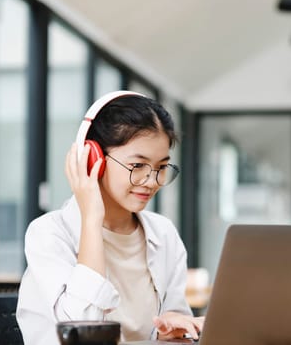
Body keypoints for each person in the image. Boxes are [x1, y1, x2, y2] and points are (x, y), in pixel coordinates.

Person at [17, 91, 203, 344]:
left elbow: (176, 324)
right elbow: (83, 334)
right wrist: (92, 219)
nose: (151, 181)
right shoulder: (49, 233)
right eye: (137, 166)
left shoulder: (164, 233)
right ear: (94, 158)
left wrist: (173, 329)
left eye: (161, 167)